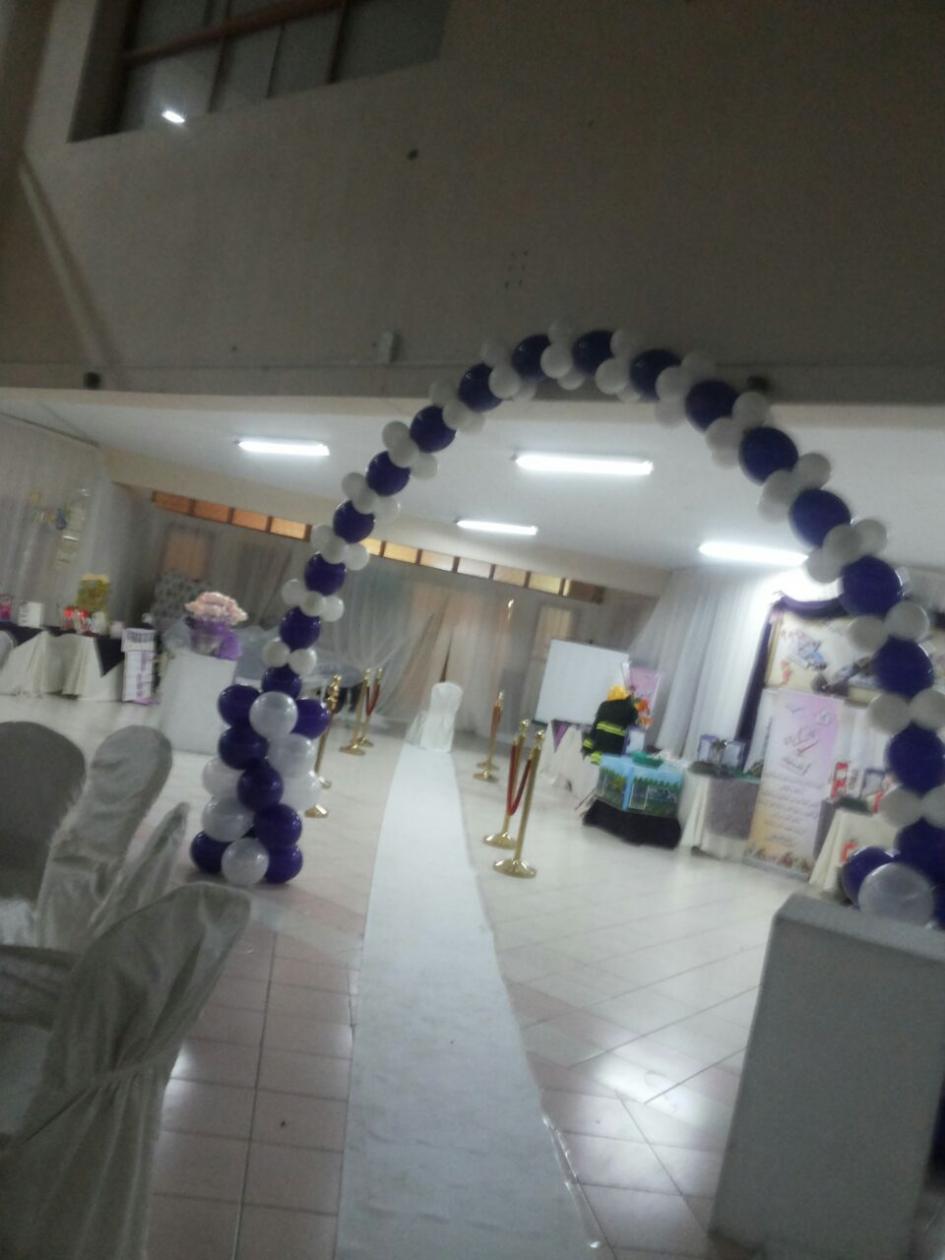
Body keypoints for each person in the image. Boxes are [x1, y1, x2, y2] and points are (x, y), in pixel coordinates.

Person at [581, 685, 638, 764]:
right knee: (610, 769)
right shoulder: (631, 709)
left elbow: (595, 727)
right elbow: (633, 727)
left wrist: (586, 747)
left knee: (598, 768)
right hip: (616, 751)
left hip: (599, 751)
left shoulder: (604, 706)